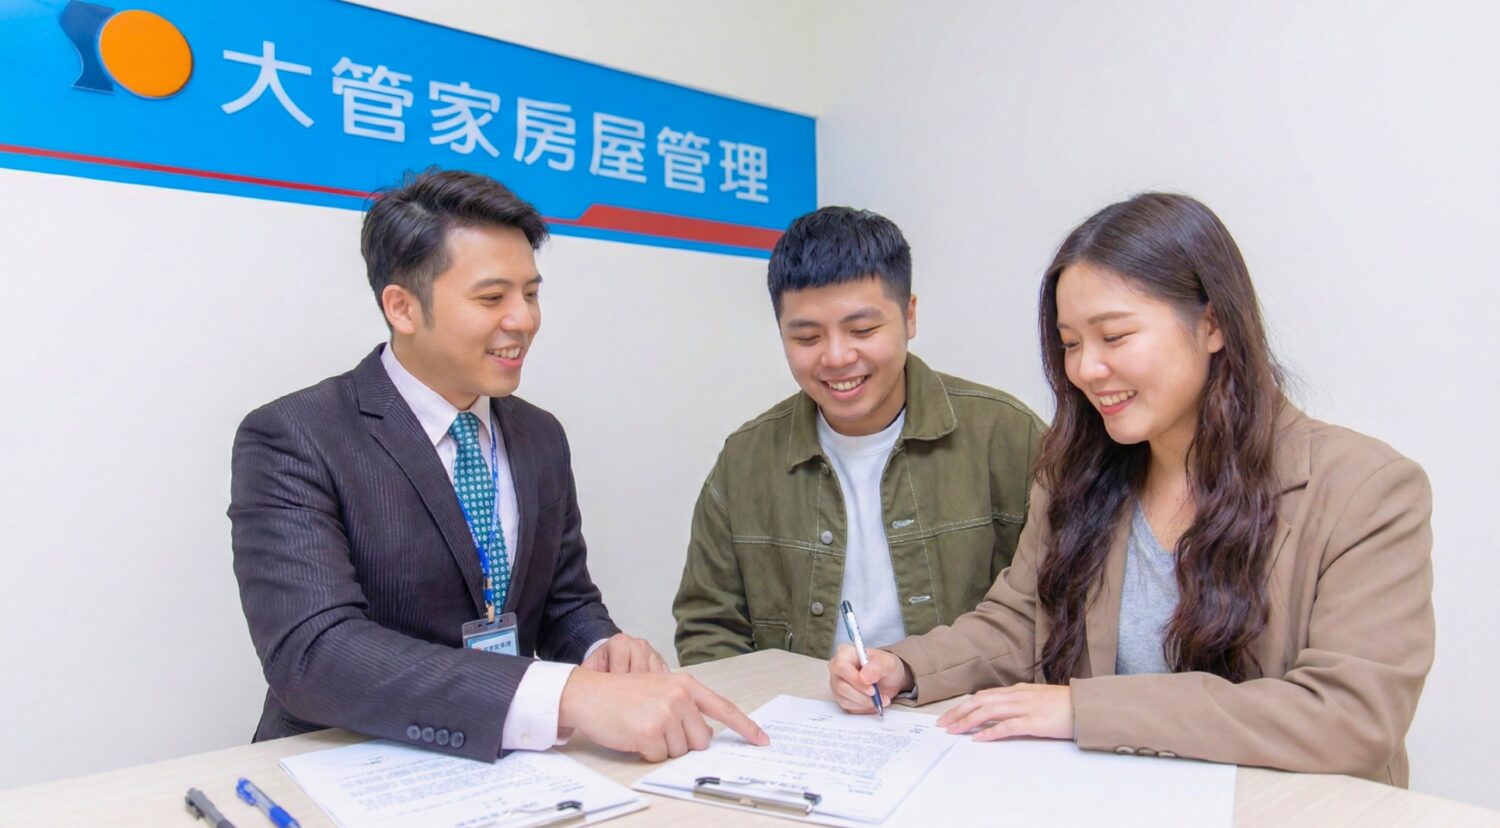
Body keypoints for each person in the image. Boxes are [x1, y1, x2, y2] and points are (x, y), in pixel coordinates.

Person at [829, 193, 1433, 786]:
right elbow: (1022, 620)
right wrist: (904, 665)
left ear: (1213, 324)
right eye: (1070, 344)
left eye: (1114, 336)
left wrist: (1084, 711)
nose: (1085, 369)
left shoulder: (1365, 489)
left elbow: (1351, 717)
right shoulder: (1074, 473)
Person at [230, 168, 766, 764]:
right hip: (343, 760)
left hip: (498, 767)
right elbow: (314, 655)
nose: (524, 320)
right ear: (402, 307)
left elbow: (563, 601)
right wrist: (568, 695)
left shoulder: (540, 435)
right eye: (492, 298)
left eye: (530, 294)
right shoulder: (296, 436)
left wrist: (601, 650)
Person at [674, 206, 1044, 665]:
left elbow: (1051, 609)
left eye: (862, 330)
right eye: (807, 338)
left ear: (909, 316)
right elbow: (710, 627)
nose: (836, 357)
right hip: (801, 706)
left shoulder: (1007, 435)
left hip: (970, 705)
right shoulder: (746, 459)